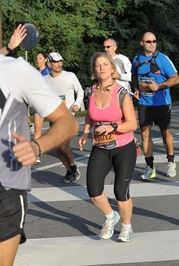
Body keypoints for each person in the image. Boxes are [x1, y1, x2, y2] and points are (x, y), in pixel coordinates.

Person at [0, 24, 79, 266]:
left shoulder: (16, 71)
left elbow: (68, 123)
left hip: (5, 187)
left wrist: (36, 146)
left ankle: (72, 167)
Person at [78, 52, 137, 242]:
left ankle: (127, 227)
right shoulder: (92, 92)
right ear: (94, 71)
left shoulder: (121, 93)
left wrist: (113, 126)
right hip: (101, 146)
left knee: (121, 191)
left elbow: (132, 124)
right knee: (93, 190)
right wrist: (86, 132)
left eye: (105, 64)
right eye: (98, 65)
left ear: (113, 69)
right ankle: (110, 216)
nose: (101, 68)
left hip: (124, 146)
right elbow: (91, 115)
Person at [131, 32, 179, 179]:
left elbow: (176, 79)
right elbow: (134, 76)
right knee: (145, 134)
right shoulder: (137, 59)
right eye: (148, 41)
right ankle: (149, 167)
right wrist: (135, 89)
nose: (152, 43)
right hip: (144, 103)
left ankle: (171, 162)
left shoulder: (162, 59)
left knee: (166, 133)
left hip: (162, 103)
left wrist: (158, 86)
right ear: (142, 43)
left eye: (154, 41)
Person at [44, 52, 84, 182]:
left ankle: (73, 166)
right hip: (54, 118)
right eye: (56, 62)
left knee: (63, 146)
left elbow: (81, 91)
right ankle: (69, 171)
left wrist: (77, 104)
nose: (59, 64)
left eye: (60, 61)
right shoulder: (45, 80)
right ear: (49, 64)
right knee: (59, 149)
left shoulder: (70, 76)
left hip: (68, 117)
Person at [33, 51, 52, 164]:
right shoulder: (34, 73)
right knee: (37, 129)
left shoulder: (49, 72)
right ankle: (36, 154)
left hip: (49, 104)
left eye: (40, 58)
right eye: (37, 58)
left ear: (45, 60)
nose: (38, 60)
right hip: (38, 103)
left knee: (54, 129)